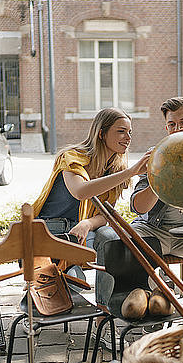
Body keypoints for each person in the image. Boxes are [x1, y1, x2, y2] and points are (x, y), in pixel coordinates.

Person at [94, 97, 183, 311]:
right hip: (153, 230)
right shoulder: (156, 155)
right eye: (172, 124)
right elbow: (138, 207)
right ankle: (148, 301)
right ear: (166, 127)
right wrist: (158, 177)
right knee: (121, 243)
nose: (177, 129)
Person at [31, 107, 150, 276]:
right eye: (121, 131)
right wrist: (130, 172)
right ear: (101, 134)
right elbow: (80, 192)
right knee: (72, 284)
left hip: (82, 231)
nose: (128, 138)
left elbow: (105, 214)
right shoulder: (71, 157)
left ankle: (106, 302)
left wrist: (86, 224)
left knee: (111, 239)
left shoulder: (116, 170)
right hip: (52, 230)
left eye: (130, 132)